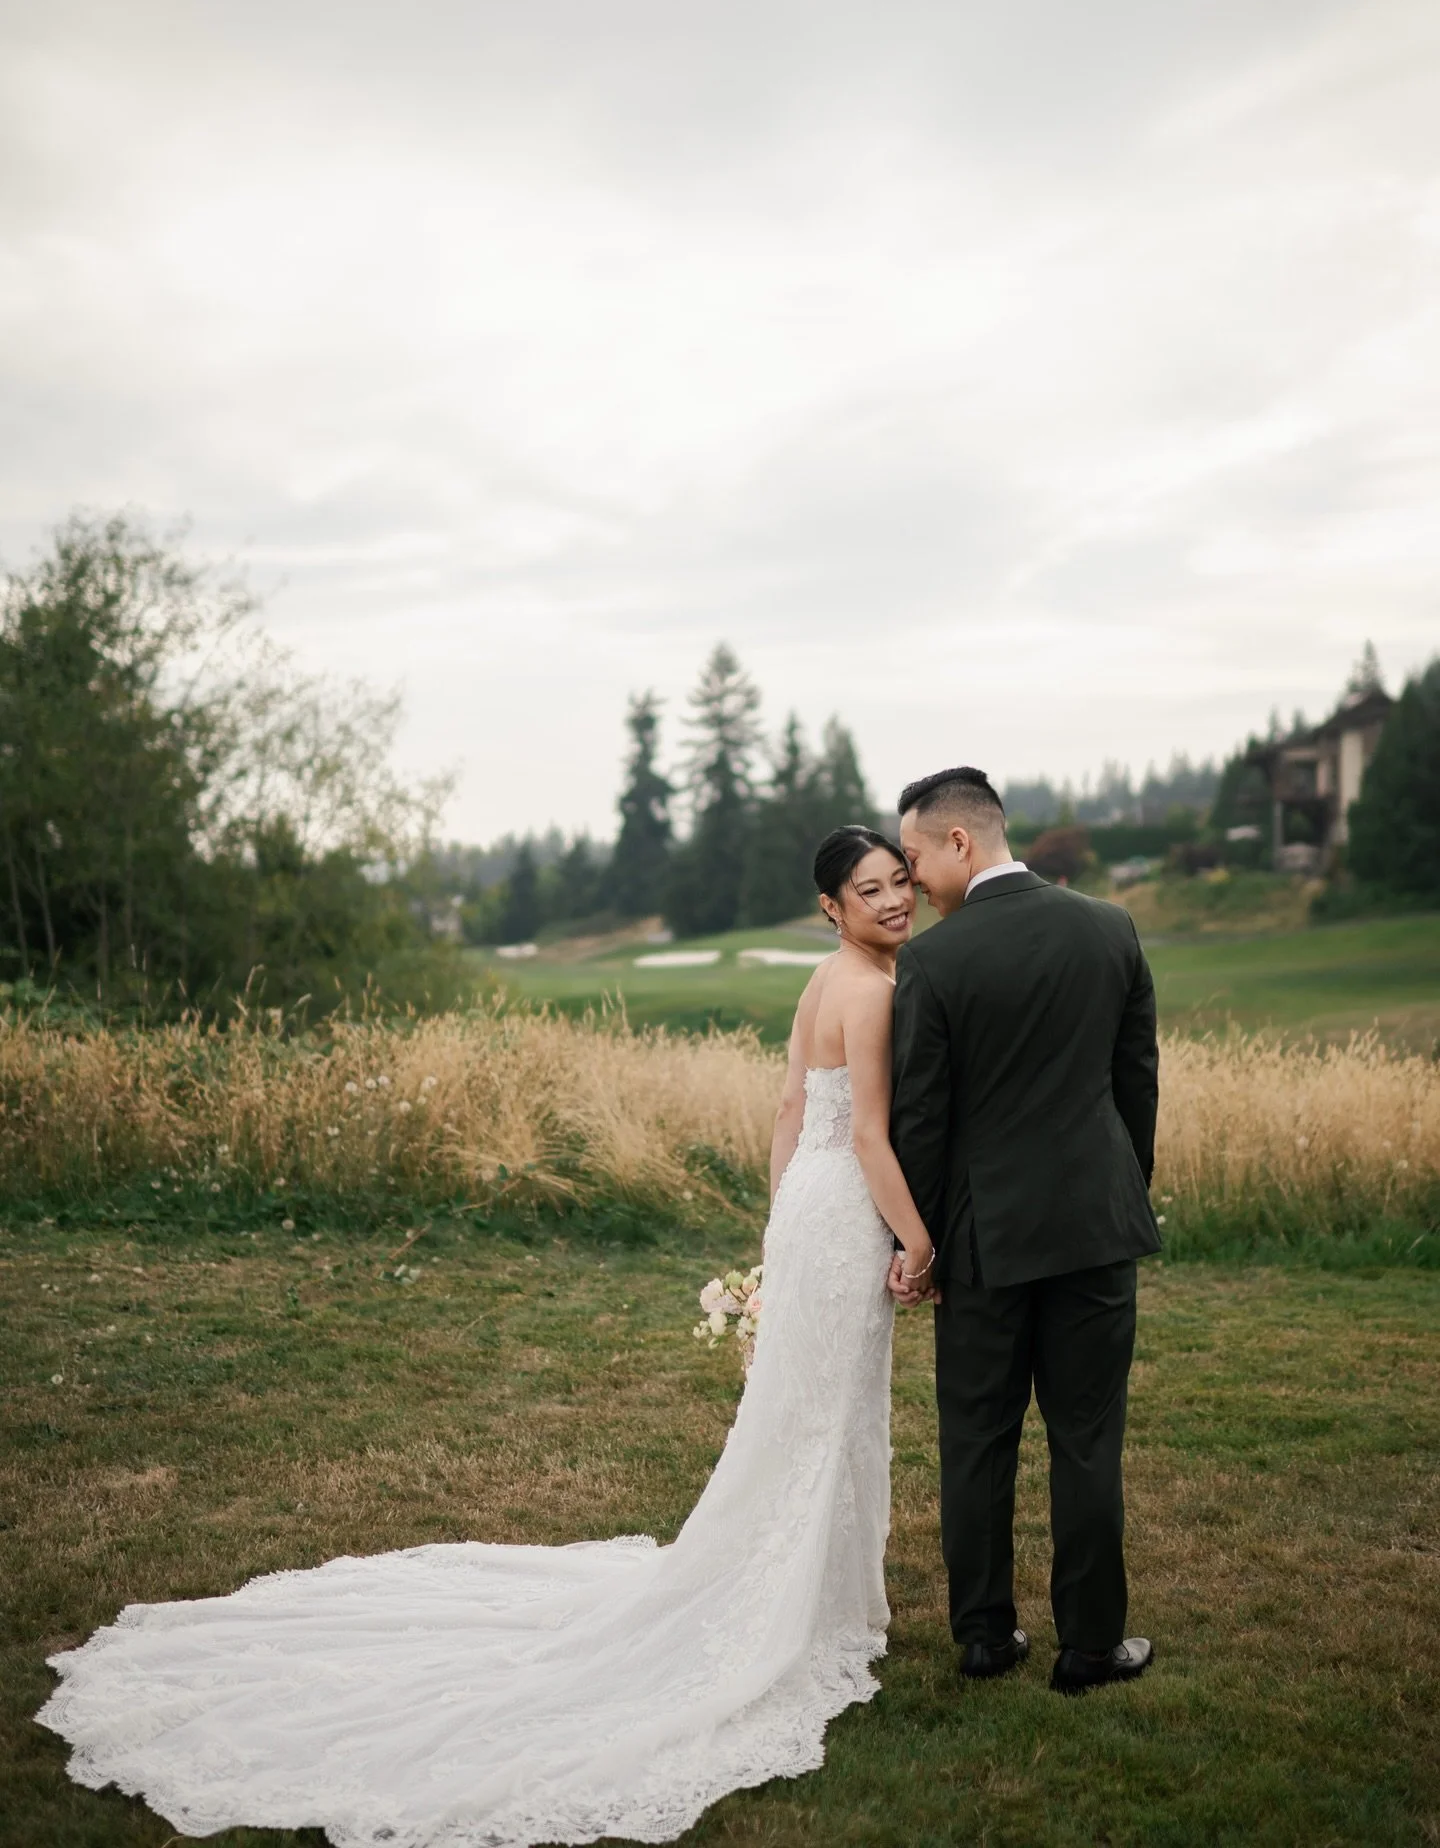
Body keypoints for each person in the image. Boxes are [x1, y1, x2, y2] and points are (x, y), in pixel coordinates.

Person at [38, 827, 935, 1848]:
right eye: (870, 889)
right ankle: (806, 1610)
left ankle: (817, 1596)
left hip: (810, 1209)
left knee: (804, 1415)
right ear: (831, 906)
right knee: (826, 1415)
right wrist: (918, 1242)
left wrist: (782, 1224)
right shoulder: (872, 992)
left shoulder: (825, 980)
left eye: (899, 882)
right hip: (846, 1212)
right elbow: (867, 1134)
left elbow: (787, 1111)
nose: (893, 900)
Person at [888, 765, 1161, 1695]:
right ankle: (1090, 1647)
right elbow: (1136, 1083)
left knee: (976, 1436)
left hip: (982, 1240)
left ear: (960, 842)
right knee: (1088, 1439)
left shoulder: (935, 961)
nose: (913, 880)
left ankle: (983, 1637)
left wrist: (919, 1244)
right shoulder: (1111, 928)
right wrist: (1120, 1192)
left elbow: (920, 1121)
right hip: (1095, 1227)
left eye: (916, 858)